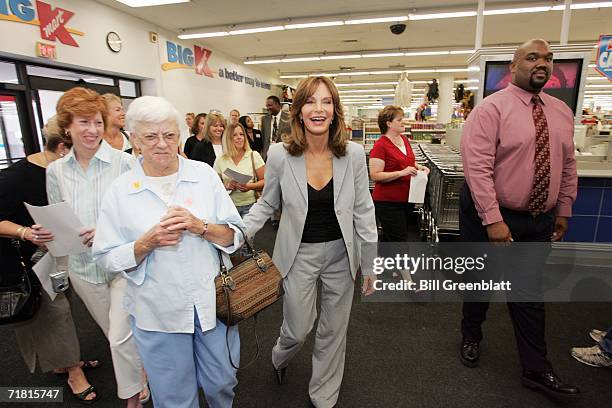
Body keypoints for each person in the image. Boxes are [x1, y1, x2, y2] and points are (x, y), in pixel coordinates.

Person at [93, 96, 244, 408]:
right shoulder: (121, 191)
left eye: (170, 135)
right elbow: (105, 257)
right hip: (157, 313)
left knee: (222, 383)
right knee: (175, 398)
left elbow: (236, 235)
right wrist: (145, 243)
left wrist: (202, 226)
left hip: (211, 306)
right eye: (150, 136)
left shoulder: (203, 175)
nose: (162, 144)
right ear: (134, 139)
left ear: (180, 136)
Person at [243, 76, 378, 408]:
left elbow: (363, 210)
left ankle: (324, 395)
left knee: (334, 331)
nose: (318, 109)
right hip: (297, 255)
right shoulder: (279, 155)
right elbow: (266, 203)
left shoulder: (354, 155)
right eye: (310, 102)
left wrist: (371, 264)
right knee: (298, 329)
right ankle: (281, 355)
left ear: (335, 111)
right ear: (298, 110)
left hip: (341, 255)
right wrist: (237, 233)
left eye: (326, 102)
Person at [459, 39, 579, 397]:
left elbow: (568, 164)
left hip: (538, 219)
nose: (542, 63)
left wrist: (564, 207)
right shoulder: (490, 109)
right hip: (491, 215)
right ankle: (471, 334)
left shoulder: (561, 112)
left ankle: (536, 370)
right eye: (532, 57)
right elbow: (476, 168)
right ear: (514, 66)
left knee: (528, 294)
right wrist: (493, 218)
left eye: (547, 58)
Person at [46, 87, 147, 407]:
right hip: (83, 268)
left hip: (121, 262)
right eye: (83, 123)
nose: (92, 130)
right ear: (67, 127)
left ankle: (133, 387)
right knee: (113, 332)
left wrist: (104, 231)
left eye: (96, 122)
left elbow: (141, 217)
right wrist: (46, 230)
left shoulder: (125, 163)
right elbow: (56, 214)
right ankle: (141, 370)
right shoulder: (55, 171)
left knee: (120, 334)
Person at [0, 117, 103, 404]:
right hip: (32, 259)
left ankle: (63, 360)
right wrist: (24, 232)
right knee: (56, 314)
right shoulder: (19, 177)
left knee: (62, 310)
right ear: (61, 148)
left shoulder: (66, 172)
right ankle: (72, 372)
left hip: (65, 250)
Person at [369, 105, 429, 243]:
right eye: (399, 120)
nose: (404, 122)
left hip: (407, 199)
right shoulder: (380, 146)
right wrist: (402, 173)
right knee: (399, 240)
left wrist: (419, 167)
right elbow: (375, 175)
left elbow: (407, 162)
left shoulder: (404, 140)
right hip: (388, 202)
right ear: (389, 123)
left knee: (393, 238)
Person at [213, 122, 265, 218]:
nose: (239, 137)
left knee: (247, 233)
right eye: (234, 135)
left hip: (250, 206)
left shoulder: (254, 155)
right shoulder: (221, 159)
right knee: (232, 233)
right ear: (228, 138)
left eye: (241, 134)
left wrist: (250, 186)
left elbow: (265, 181)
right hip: (228, 206)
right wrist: (227, 185)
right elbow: (214, 184)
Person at [261, 95, 291, 160]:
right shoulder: (264, 119)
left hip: (285, 155)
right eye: (267, 106)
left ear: (277, 105)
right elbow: (263, 138)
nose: (267, 108)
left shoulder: (289, 118)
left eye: (270, 105)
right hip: (268, 156)